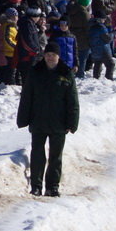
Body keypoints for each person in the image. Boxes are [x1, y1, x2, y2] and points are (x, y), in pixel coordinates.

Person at [17, 42, 79, 197]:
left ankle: (52, 186)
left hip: (59, 123)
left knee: (55, 157)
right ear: (44, 56)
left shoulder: (66, 73)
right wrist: (23, 119)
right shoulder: (35, 72)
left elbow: (73, 101)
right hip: (38, 120)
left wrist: (72, 122)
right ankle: (36, 185)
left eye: (53, 55)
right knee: (37, 154)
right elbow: (26, 97)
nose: (50, 58)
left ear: (59, 56)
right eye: (48, 55)